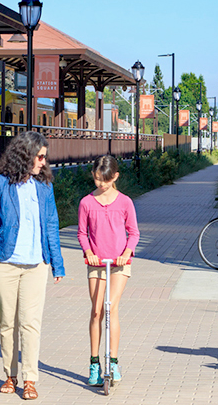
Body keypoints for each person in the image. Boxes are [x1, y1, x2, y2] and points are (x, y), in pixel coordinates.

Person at [0, 131, 65, 401]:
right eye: (40, 157)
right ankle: (10, 376)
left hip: (36, 264)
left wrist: (57, 264)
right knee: (7, 324)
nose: (43, 162)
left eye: (45, 157)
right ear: (25, 155)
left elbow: (51, 225)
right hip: (4, 263)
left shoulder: (44, 185)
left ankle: (30, 378)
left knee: (30, 323)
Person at [77, 155, 139, 387]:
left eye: (105, 180)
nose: (100, 184)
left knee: (110, 308)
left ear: (115, 177)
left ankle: (113, 361)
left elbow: (134, 233)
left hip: (119, 263)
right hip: (96, 263)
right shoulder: (86, 203)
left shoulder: (125, 202)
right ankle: (94, 363)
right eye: (96, 179)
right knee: (96, 311)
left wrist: (127, 252)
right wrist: (88, 252)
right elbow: (82, 233)